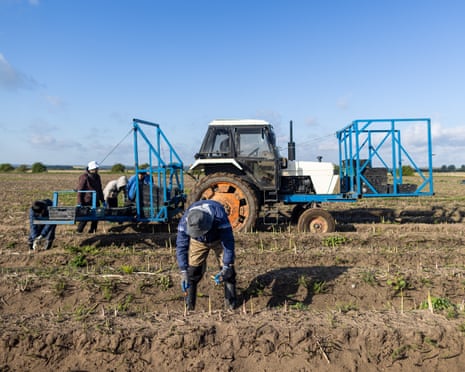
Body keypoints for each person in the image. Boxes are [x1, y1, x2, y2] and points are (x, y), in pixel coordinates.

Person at [176, 200, 237, 310]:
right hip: (198, 242)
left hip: (218, 238)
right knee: (192, 273)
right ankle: (189, 307)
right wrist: (183, 271)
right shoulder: (185, 222)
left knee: (228, 272)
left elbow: (228, 242)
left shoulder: (219, 216)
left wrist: (226, 265)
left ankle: (230, 305)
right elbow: (181, 247)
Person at [76, 160, 105, 233]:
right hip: (86, 200)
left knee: (96, 216)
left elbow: (100, 189)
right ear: (91, 169)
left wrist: (103, 201)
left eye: (97, 169)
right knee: (85, 217)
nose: (97, 170)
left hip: (96, 199)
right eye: (95, 169)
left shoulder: (97, 177)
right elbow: (80, 190)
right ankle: (79, 231)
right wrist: (80, 203)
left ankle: (92, 231)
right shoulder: (84, 177)